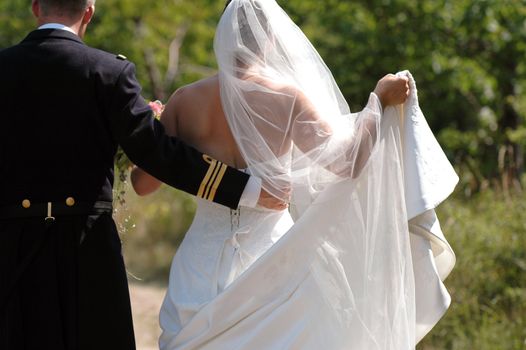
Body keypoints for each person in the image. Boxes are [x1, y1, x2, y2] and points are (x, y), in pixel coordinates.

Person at [130, 1, 430, 349]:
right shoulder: (286, 99)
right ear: (271, 37)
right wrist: (378, 100)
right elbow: (349, 162)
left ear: (223, 35)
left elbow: (143, 185)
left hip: (200, 267)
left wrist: (148, 135)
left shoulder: (185, 100)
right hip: (271, 259)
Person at [0, 0, 285, 349]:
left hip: (10, 242)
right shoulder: (108, 72)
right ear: (88, 12)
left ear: (35, 8)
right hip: (86, 247)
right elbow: (158, 153)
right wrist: (247, 190)